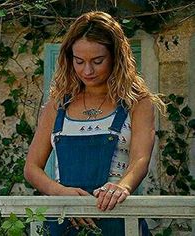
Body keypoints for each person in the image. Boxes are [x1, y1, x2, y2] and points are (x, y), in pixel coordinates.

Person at [24, 11, 164, 236]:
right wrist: (60, 192)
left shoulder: (137, 102)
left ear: (116, 57)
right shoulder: (57, 105)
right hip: (64, 222)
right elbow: (31, 168)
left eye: (97, 61)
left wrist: (121, 187)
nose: (87, 71)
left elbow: (140, 159)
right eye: (79, 61)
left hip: (117, 220)